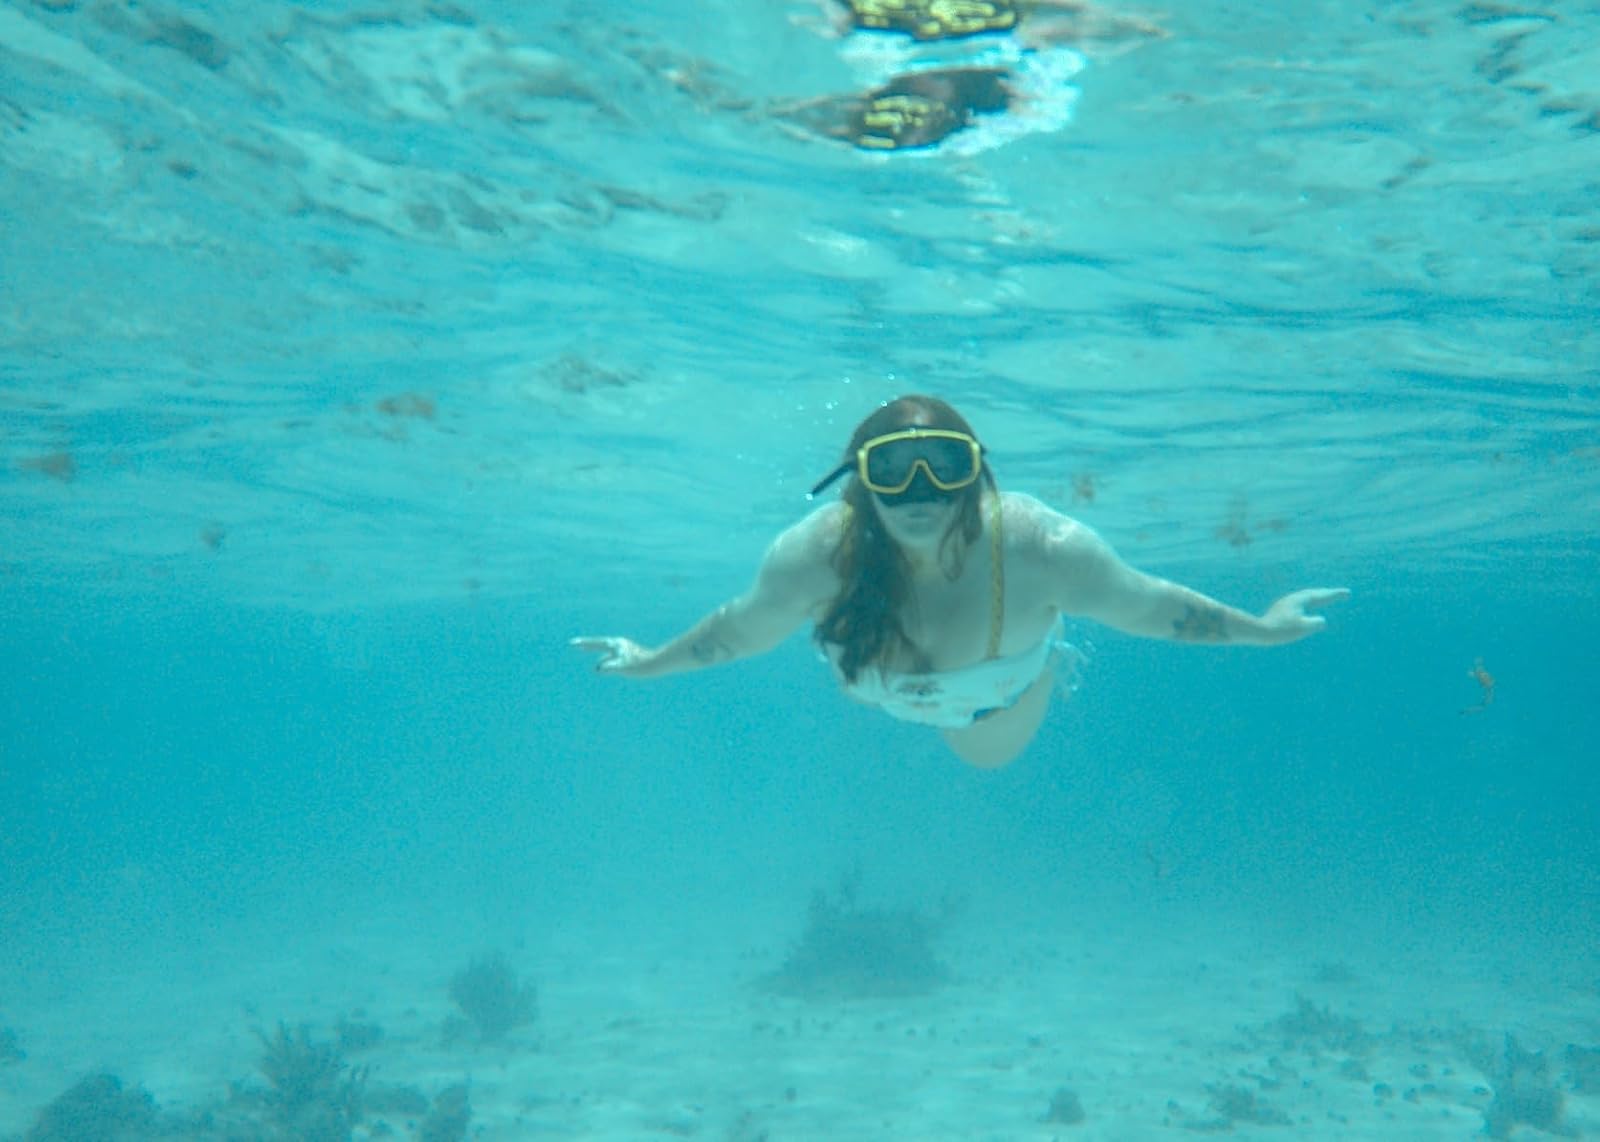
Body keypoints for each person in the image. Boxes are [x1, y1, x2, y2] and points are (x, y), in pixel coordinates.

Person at [572, 396, 1349, 768]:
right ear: (858, 482)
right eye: (892, 469)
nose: (919, 490)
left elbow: (1146, 606)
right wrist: (647, 662)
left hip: (993, 703)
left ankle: (1050, 665)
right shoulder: (814, 555)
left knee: (980, 760)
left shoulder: (1043, 550)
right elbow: (741, 629)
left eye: (944, 466)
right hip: (873, 687)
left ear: (976, 476)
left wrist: (1263, 628)